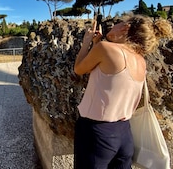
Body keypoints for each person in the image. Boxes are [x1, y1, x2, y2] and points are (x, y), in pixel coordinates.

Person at [73, 14, 172, 169]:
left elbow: (79, 69)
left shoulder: (106, 48)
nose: (113, 26)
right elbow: (112, 77)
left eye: (118, 24)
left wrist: (87, 43)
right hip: (124, 134)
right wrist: (97, 43)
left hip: (97, 133)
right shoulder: (141, 60)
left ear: (125, 28)